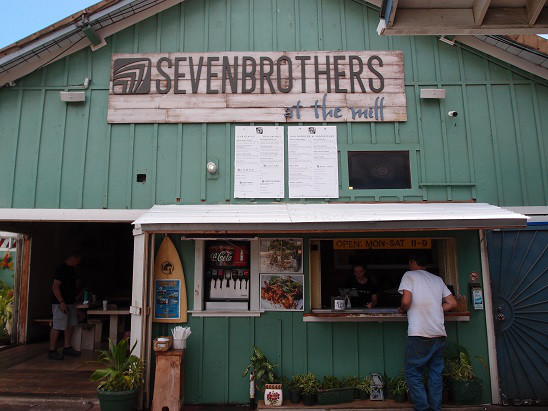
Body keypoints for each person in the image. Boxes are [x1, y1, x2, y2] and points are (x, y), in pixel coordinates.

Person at [398, 253, 457, 411]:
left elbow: (406, 301)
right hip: (439, 333)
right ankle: (436, 408)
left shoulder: (409, 275)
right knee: (435, 374)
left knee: (412, 372)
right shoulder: (437, 279)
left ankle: (422, 408)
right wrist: (436, 309)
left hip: (420, 332)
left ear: (413, 262)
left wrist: (402, 309)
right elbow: (452, 303)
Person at [48, 251, 83, 360]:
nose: (78, 263)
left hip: (71, 302)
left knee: (71, 324)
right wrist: (61, 302)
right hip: (60, 303)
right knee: (58, 326)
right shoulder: (61, 269)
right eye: (77, 260)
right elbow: (55, 287)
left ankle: (67, 347)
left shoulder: (72, 270)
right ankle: (52, 350)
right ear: (72, 258)